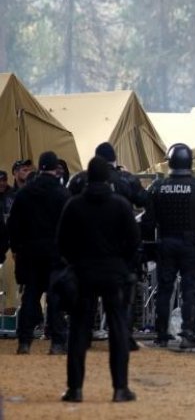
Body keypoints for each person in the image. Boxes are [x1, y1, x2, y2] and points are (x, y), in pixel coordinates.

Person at [57, 156, 140, 403]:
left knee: (79, 330)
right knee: (118, 329)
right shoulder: (121, 205)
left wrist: (75, 262)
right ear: (107, 177)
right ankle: (120, 388)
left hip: (83, 273)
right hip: (114, 274)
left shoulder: (74, 205)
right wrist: (121, 264)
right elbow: (133, 242)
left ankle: (75, 389)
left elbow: (62, 242)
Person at [141, 143, 195, 349]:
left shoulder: (157, 187)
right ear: (190, 162)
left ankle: (162, 335)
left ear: (170, 162)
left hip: (165, 242)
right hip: (189, 244)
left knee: (164, 289)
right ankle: (187, 334)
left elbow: (148, 220)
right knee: (191, 289)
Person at [68, 142, 149, 351]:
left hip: (85, 250)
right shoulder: (126, 181)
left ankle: (83, 337)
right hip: (118, 253)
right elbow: (144, 201)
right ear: (114, 161)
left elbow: (65, 211)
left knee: (86, 298)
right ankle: (123, 337)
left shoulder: (78, 181)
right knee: (121, 300)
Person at [7, 151, 71, 355]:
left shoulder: (25, 193)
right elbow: (71, 225)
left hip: (29, 252)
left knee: (30, 295)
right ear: (55, 168)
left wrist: (16, 248)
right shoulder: (62, 193)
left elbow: (13, 225)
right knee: (55, 297)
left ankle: (24, 340)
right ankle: (57, 342)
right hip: (55, 253)